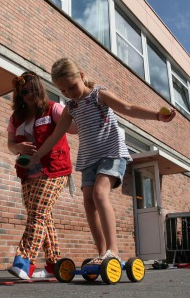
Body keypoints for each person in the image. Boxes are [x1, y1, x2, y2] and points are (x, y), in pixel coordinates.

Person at [25, 57, 176, 264]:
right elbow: (54, 136)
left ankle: (113, 250)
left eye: (72, 87)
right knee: (88, 203)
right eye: (64, 91)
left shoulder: (99, 95)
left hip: (111, 153)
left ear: (82, 76)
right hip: (88, 159)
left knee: (99, 193)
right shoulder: (71, 108)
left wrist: (158, 116)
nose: (70, 94)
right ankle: (102, 252)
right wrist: (36, 155)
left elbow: (128, 108)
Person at [6, 71, 75, 280]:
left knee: (37, 213)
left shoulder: (53, 108)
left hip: (53, 169)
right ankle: (54, 265)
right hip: (28, 174)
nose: (28, 95)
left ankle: (24, 261)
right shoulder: (16, 118)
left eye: (31, 90)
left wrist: (78, 110)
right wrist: (17, 146)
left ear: (39, 89)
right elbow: (10, 145)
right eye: (23, 91)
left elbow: (72, 127)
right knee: (43, 216)